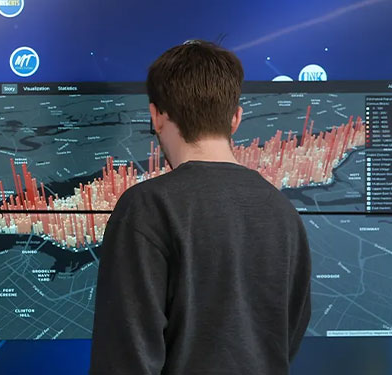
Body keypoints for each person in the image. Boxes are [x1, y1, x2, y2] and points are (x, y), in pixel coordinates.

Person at [88, 40, 312, 374]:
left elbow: (124, 360)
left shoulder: (146, 208)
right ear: (235, 119)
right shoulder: (282, 211)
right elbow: (286, 338)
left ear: (156, 116)